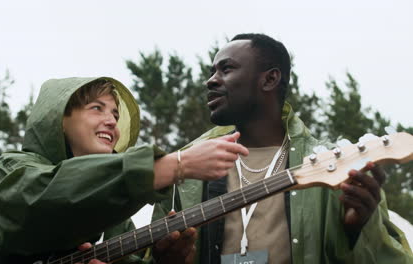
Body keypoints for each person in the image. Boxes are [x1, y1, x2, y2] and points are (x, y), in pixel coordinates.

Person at [153, 33, 413, 263]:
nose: (211, 81)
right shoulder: (184, 167)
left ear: (270, 79)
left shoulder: (337, 165)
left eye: (226, 69)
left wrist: (360, 231)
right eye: (212, 71)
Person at [0, 76, 248, 264]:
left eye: (116, 115)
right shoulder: (13, 169)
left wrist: (165, 260)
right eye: (97, 108)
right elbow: (51, 197)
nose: (111, 122)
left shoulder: (116, 215)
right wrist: (176, 164)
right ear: (59, 121)